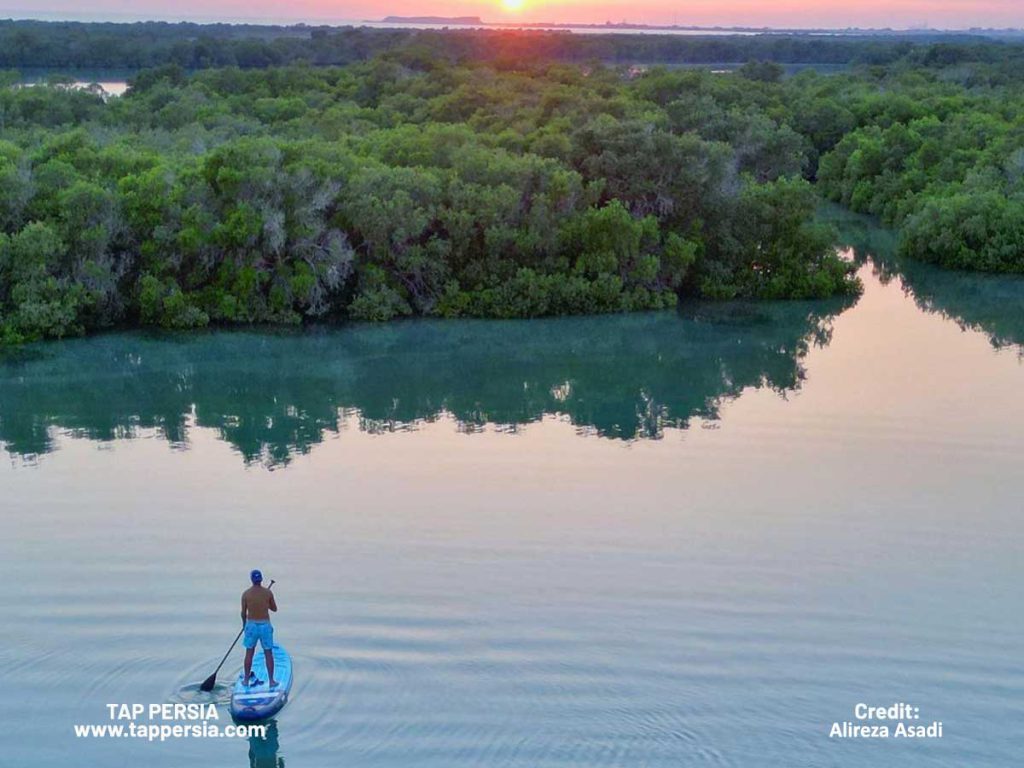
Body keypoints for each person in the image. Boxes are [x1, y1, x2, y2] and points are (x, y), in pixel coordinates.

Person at [241, 569, 278, 688]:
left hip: (251, 625)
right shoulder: (268, 593)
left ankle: (246, 681)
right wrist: (266, 603)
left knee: (249, 654)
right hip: (264, 626)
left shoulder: (246, 594)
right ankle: (271, 681)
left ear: (252, 580)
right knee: (268, 653)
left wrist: (244, 625)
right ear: (261, 579)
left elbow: (243, 613)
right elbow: (274, 609)